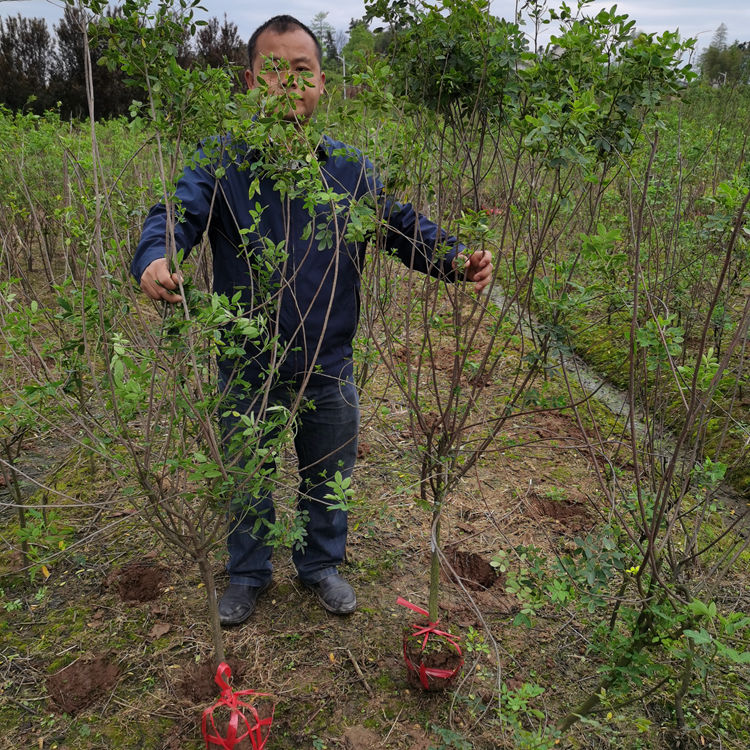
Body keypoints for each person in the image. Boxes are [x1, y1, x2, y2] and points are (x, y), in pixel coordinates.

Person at [132, 15, 492, 625]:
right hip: (246, 362)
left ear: (322, 83)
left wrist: (456, 258)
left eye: (302, 71)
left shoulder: (349, 169)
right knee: (247, 475)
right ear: (250, 83)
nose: (288, 84)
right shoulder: (220, 163)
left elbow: (399, 227)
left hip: (329, 358)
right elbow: (175, 213)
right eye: (272, 71)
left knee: (329, 473)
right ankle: (247, 573)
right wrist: (156, 255)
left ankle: (320, 565)